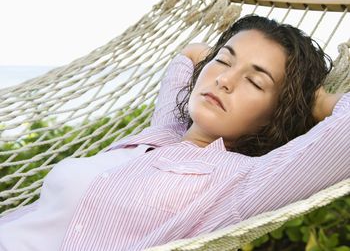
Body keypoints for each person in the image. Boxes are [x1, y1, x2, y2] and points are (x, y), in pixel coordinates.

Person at [0, 14, 349, 251]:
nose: (224, 80)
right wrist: (214, 56)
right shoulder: (164, 133)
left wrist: (313, 102)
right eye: (224, 61)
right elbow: (189, 56)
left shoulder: (243, 182)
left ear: (277, 114)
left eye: (255, 81)